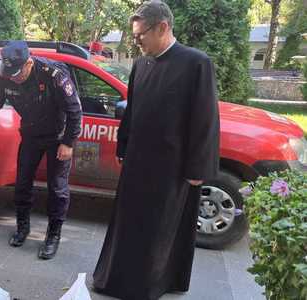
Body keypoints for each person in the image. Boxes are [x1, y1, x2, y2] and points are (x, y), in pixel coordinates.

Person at [93, 1, 220, 299]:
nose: (136, 42)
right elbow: (133, 108)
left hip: (171, 168)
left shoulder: (196, 63)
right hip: (138, 161)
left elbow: (205, 119)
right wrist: (123, 145)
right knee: (129, 225)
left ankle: (150, 286)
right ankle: (118, 278)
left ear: (162, 27)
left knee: (159, 232)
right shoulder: (141, 64)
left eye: (140, 36)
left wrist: (198, 169)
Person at [0, 41, 82, 260]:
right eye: (8, 73)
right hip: (30, 134)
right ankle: (22, 227)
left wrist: (68, 142)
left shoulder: (53, 74)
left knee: (57, 188)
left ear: (29, 63)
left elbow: (74, 110)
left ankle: (53, 236)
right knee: (22, 182)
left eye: (17, 73)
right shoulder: (3, 76)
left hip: (57, 137)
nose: (12, 78)